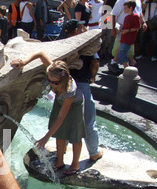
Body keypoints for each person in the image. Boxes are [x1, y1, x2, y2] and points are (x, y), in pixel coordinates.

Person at [11, 52, 86, 175]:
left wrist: (45, 138)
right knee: (60, 133)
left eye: (55, 83)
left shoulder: (69, 90)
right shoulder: (54, 70)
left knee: (75, 135)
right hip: (59, 101)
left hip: (74, 106)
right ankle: (60, 161)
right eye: (49, 80)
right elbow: (40, 54)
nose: (51, 84)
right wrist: (24, 62)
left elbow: (61, 118)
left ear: (63, 79)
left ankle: (75, 164)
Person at [66, 19, 103, 162]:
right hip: (82, 85)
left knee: (65, 119)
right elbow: (95, 62)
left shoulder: (65, 44)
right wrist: (93, 76)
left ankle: (61, 151)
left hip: (67, 86)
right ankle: (94, 152)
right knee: (88, 121)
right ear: (77, 30)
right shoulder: (86, 43)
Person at [109, 0, 146, 71]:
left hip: (132, 30)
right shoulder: (120, 1)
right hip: (122, 28)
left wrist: (143, 22)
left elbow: (140, 12)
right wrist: (113, 29)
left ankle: (125, 62)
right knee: (122, 46)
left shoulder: (138, 1)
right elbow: (113, 14)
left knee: (124, 46)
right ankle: (121, 64)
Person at [114, 0, 141, 67]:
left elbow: (137, 27)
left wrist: (127, 31)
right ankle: (127, 67)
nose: (124, 9)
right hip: (123, 37)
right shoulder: (126, 17)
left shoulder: (135, 17)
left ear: (130, 8)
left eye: (125, 7)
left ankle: (128, 68)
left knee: (121, 55)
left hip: (128, 38)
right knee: (122, 53)